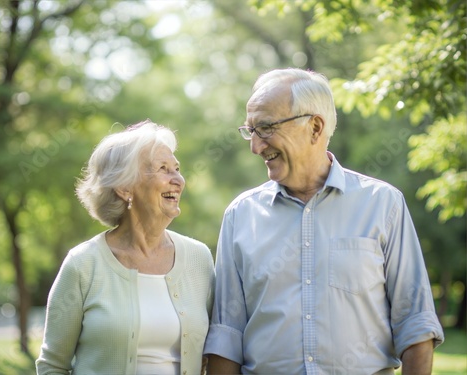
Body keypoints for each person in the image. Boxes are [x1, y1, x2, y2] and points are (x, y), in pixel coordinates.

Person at [204, 68, 444, 374]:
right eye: (250, 131)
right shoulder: (240, 215)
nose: (255, 146)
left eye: (265, 128)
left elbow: (415, 322)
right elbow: (227, 335)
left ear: (315, 127)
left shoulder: (383, 204)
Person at [36, 120, 215, 375]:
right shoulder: (83, 264)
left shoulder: (199, 259)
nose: (178, 180)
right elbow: (52, 366)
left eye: (177, 168)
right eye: (163, 169)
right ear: (124, 187)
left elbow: (214, 353)